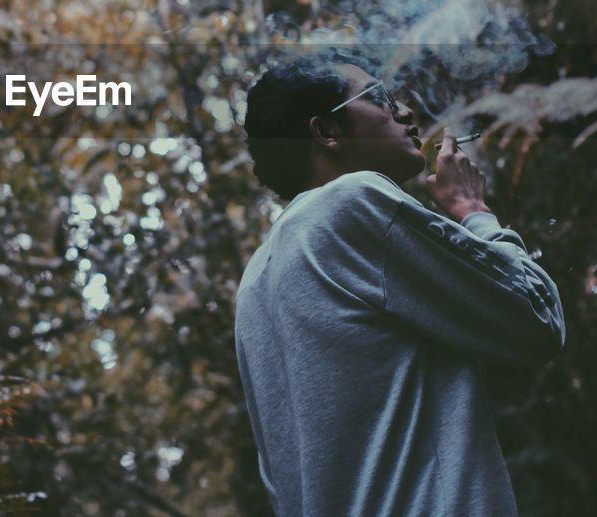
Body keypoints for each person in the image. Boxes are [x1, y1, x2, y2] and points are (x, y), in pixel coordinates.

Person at [236, 54, 565, 516]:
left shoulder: (254, 283)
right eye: (380, 99)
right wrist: (473, 210)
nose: (405, 112)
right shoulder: (353, 202)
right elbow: (536, 319)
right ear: (326, 132)